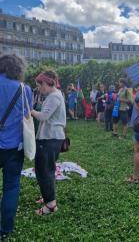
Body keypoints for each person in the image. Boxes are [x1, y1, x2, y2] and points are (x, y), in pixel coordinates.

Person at [0, 55, 32, 239]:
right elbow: (26, 115)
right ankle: (6, 228)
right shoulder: (24, 89)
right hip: (14, 147)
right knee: (11, 186)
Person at [31, 70, 66, 215]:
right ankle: (47, 197)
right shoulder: (55, 95)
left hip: (50, 138)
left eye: (41, 84)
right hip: (51, 138)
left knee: (45, 170)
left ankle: (50, 205)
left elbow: (43, 116)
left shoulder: (53, 96)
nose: (40, 88)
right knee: (45, 169)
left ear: (47, 82)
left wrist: (29, 111)